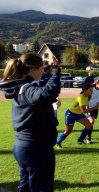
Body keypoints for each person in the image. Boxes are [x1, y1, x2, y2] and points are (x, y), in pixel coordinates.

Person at [0, 53, 61, 192]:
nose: (43, 71)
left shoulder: (22, 87)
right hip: (36, 149)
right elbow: (49, 92)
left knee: (26, 187)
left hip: (26, 147)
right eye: (42, 68)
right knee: (41, 188)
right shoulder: (27, 88)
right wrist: (56, 73)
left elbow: (38, 102)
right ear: (34, 69)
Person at [56, 83, 99, 148]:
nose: (92, 91)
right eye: (90, 90)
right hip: (71, 114)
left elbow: (86, 107)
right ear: (85, 90)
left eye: (92, 90)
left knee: (89, 126)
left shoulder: (88, 96)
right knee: (68, 131)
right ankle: (58, 142)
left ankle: (80, 140)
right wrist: (96, 106)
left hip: (79, 114)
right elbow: (84, 111)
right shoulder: (81, 98)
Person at [86, 77, 99, 143]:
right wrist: (87, 108)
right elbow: (86, 98)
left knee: (91, 122)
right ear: (97, 83)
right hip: (89, 107)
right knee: (91, 122)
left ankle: (86, 136)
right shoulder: (92, 89)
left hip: (96, 108)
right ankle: (88, 138)